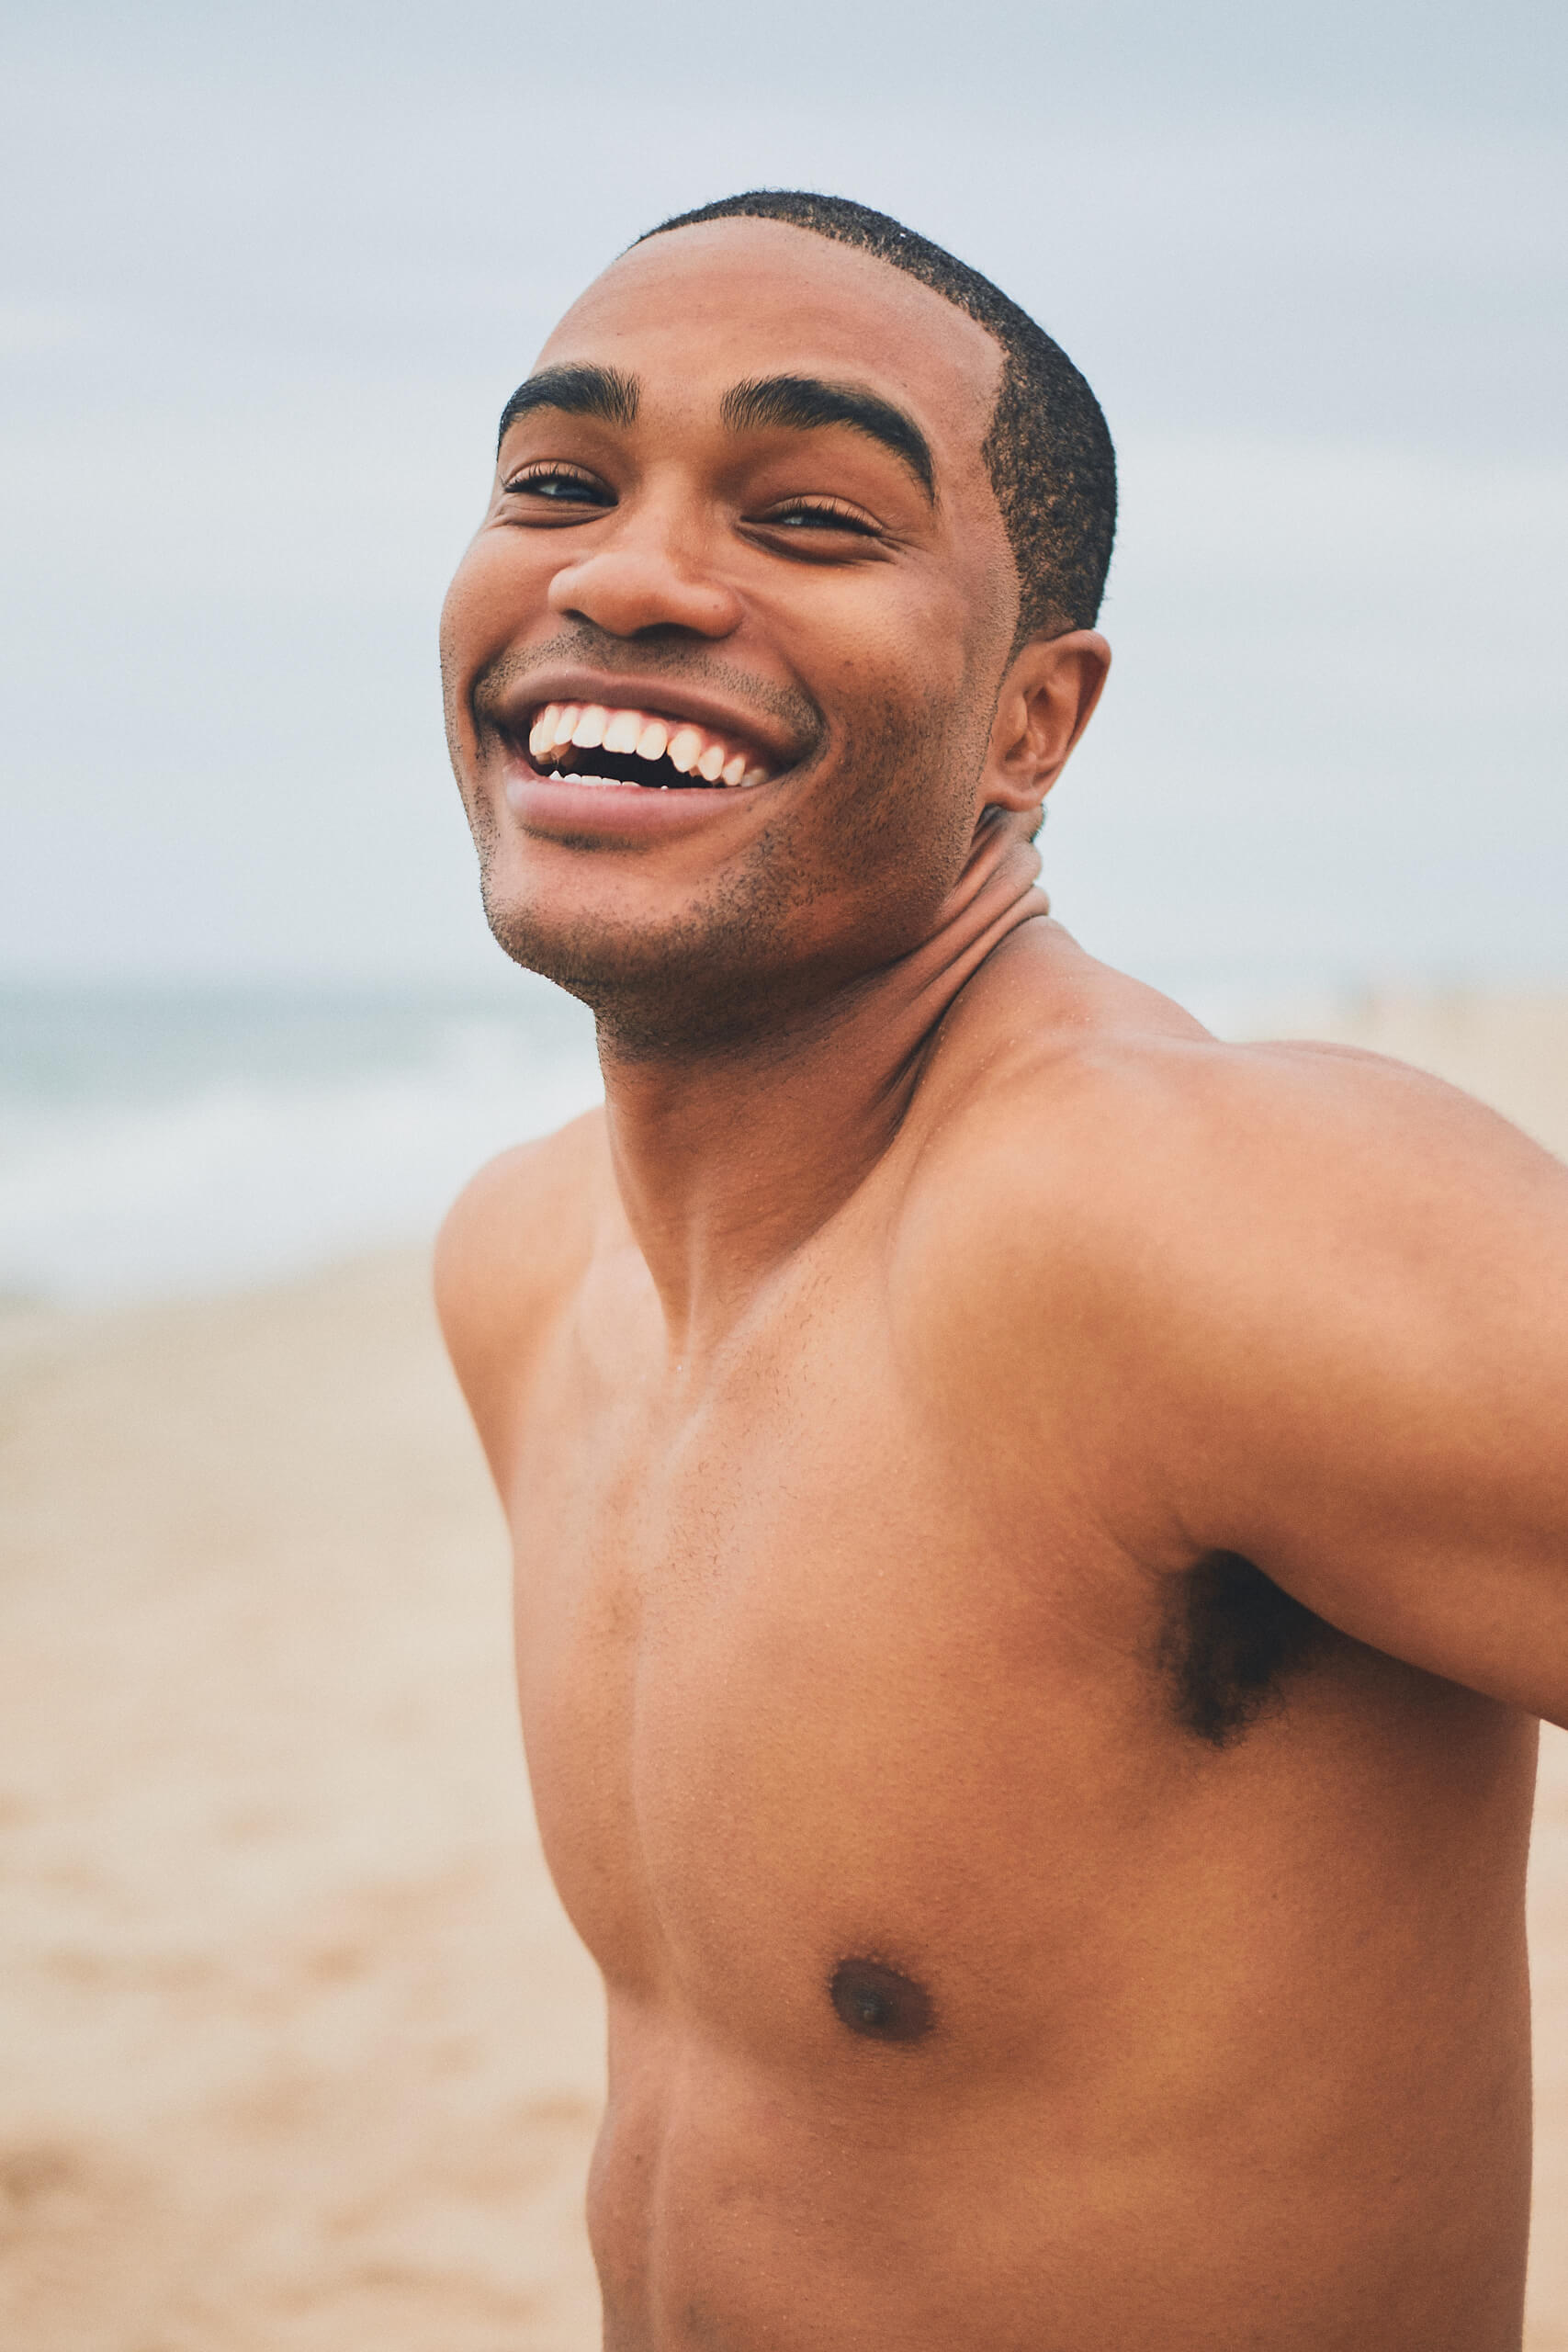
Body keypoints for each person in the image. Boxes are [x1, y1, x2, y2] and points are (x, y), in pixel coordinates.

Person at [434, 189, 1568, 2350]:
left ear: (1030, 721)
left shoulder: (1188, 1214)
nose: (624, 571)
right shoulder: (520, 1262)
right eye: (558, 481)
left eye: (813, 517)